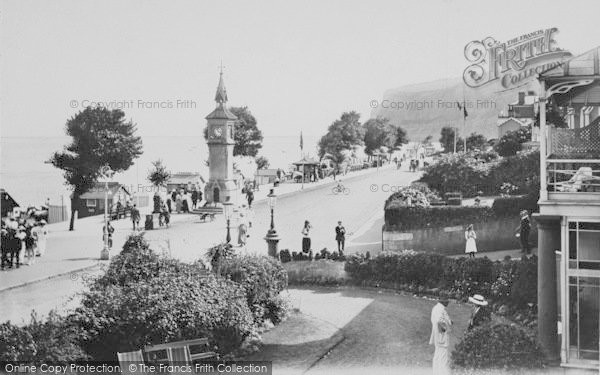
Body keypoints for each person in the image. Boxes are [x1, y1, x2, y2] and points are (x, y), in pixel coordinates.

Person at [430, 297, 452, 375]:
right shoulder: (440, 309)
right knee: (443, 357)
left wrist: (449, 322)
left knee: (438, 355)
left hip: (438, 335)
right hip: (441, 336)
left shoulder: (437, 308)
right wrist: (446, 328)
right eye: (447, 300)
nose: (448, 302)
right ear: (444, 301)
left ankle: (436, 372)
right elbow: (440, 322)